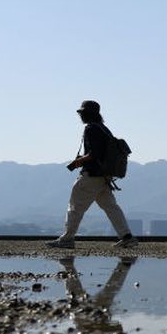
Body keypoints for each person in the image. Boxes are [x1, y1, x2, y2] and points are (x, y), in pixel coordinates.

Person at [46, 100, 137, 249]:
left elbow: (93, 154)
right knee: (111, 207)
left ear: (87, 114)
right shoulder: (103, 129)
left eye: (82, 113)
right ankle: (127, 236)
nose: (80, 116)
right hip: (104, 177)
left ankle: (67, 239)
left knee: (75, 206)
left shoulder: (91, 129)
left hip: (92, 175)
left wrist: (76, 162)